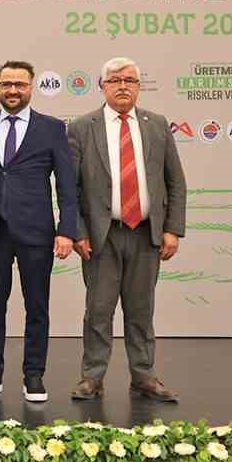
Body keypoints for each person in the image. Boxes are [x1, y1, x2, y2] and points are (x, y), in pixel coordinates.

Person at [67, 56, 187, 403]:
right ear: (102, 86)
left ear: (138, 86)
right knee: (98, 310)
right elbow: (70, 188)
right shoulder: (81, 127)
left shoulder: (157, 125)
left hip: (146, 234)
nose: (123, 86)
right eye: (115, 80)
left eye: (130, 80)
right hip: (101, 237)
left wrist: (173, 229)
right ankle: (92, 377)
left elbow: (175, 181)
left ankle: (144, 376)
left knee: (141, 310)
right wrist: (78, 232)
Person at [0, 61, 77, 403]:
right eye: (7, 84)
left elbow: (67, 186)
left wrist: (66, 230)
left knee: (37, 306)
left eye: (20, 85)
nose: (13, 90)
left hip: (37, 233)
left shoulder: (52, 128)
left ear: (31, 87)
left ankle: (34, 375)